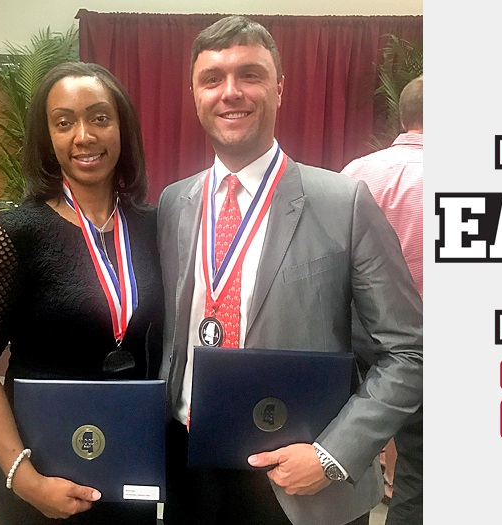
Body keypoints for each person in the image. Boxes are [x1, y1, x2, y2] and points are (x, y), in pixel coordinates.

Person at [157, 15, 423, 525]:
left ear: (280, 88)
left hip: (304, 482)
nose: (230, 92)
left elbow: (409, 349)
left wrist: (333, 456)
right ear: (194, 94)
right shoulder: (174, 203)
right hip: (190, 475)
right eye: (212, 78)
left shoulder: (344, 203)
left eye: (249, 75)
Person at [0, 62, 162, 524]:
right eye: (64, 122)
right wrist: (23, 477)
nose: (83, 135)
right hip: (42, 473)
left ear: (122, 128)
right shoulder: (14, 233)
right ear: (47, 138)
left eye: (99, 117)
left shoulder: (153, 226)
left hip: (130, 463)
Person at [341, 75, 424, 525]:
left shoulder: (354, 172)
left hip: (355, 337)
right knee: (423, 468)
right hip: (423, 345)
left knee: (346, 447)